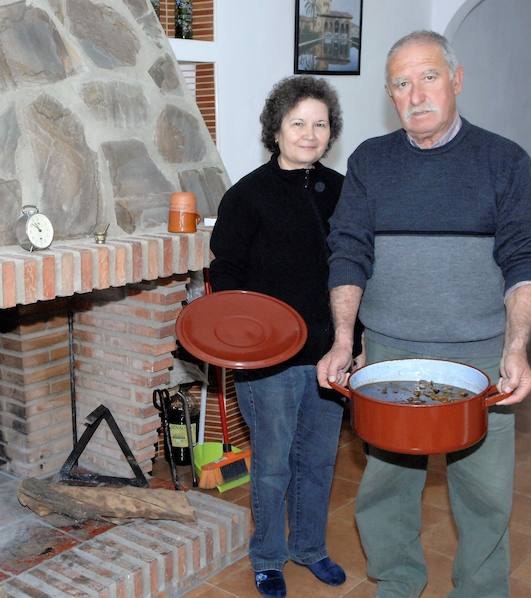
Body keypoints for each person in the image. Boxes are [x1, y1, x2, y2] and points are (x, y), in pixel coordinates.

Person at [317, 31, 531, 598]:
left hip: (481, 356)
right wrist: (345, 339)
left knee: (485, 491)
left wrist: (516, 348)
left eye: (429, 77)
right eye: (401, 83)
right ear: (389, 95)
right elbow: (348, 251)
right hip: (391, 355)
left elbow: (527, 256)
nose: (416, 95)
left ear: (457, 80)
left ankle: (480, 590)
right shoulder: (371, 161)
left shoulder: (504, 160)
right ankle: (397, 581)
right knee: (386, 485)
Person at [210, 75, 352, 597]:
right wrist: (240, 345)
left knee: (317, 460)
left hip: (329, 355)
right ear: (276, 130)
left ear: (331, 131)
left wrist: (353, 341)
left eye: (320, 124)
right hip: (269, 360)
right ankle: (268, 556)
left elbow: (357, 270)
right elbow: (225, 275)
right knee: (271, 466)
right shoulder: (246, 196)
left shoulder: (344, 192)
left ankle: (309, 547)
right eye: (298, 123)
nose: (310, 134)